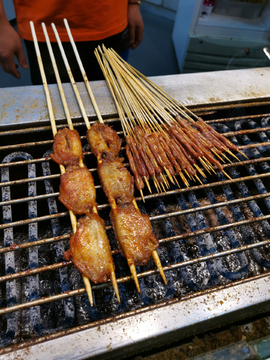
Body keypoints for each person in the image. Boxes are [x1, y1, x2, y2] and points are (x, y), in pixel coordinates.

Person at [0, 0, 144, 84]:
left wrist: (133, 3)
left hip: (113, 18)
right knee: (57, 111)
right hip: (49, 24)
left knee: (114, 101)